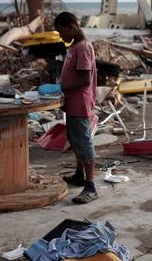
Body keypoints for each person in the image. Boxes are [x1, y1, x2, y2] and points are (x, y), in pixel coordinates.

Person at [54, 11, 99, 204]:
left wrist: (60, 86)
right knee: (75, 139)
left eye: (61, 31)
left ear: (72, 26)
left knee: (84, 142)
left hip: (80, 102)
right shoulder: (74, 46)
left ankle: (91, 187)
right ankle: (79, 175)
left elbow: (84, 78)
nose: (61, 36)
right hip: (72, 103)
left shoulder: (83, 47)